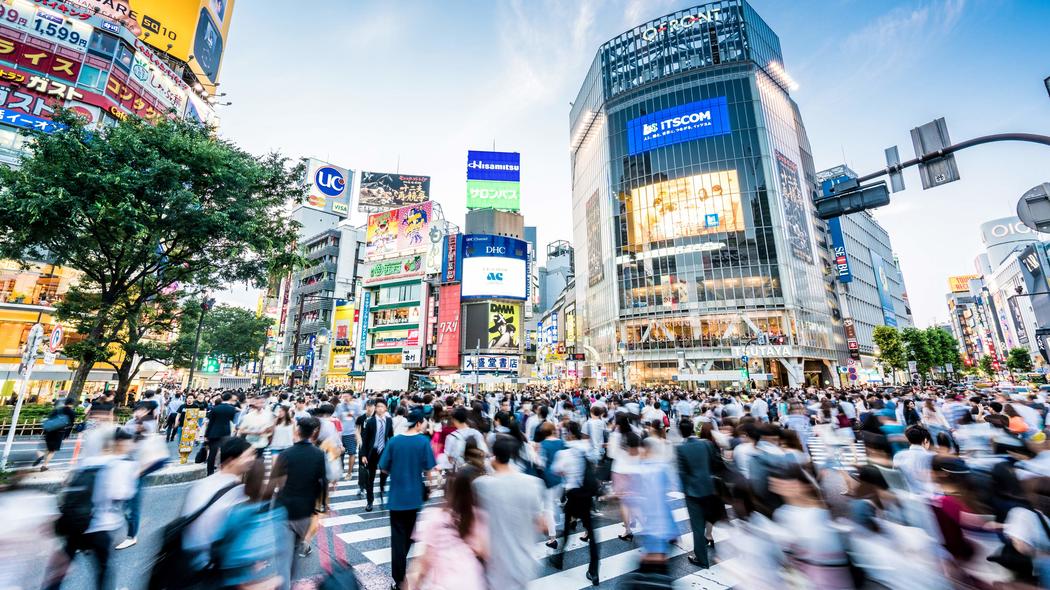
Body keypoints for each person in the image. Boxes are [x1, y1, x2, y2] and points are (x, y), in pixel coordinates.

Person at [42, 428, 137, 590]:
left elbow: (67, 484)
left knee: (62, 565)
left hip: (75, 523)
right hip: (100, 525)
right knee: (103, 569)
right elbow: (121, 493)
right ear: (122, 443)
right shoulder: (122, 465)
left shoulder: (89, 461)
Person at [474, 435, 545, 590]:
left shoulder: (481, 486)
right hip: (525, 559)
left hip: (497, 561)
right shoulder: (533, 484)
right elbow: (541, 525)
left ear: (494, 456)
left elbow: (477, 523)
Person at [377, 408, 437, 590]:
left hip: (396, 496)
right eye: (424, 422)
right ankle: (401, 575)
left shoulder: (394, 441)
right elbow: (429, 469)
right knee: (409, 535)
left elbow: (384, 468)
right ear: (418, 423)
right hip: (414, 496)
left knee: (398, 538)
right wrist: (430, 486)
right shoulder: (423, 442)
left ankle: (399, 579)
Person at [180, 437, 255, 574]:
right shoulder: (237, 493)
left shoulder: (202, 484)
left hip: (189, 558)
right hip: (212, 565)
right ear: (231, 460)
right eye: (249, 455)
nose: (253, 459)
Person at [406, 466, 488, 590]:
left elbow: (425, 559)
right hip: (470, 581)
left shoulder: (434, 516)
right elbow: (484, 551)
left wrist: (414, 583)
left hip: (442, 583)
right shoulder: (478, 517)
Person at [270, 416, 327, 585]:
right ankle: (290, 582)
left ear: (297, 431)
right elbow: (322, 481)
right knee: (295, 552)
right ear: (313, 433)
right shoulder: (318, 454)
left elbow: (275, 481)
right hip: (306, 511)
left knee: (283, 558)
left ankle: (285, 585)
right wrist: (320, 506)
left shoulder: (286, 454)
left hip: (285, 510)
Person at [551, 421, 600, 585]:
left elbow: (557, 470)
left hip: (573, 494)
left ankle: (559, 558)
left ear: (570, 433)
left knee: (566, 528)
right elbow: (595, 462)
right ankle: (594, 571)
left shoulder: (564, 452)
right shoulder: (587, 447)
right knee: (591, 532)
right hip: (587, 495)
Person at [676, 418, 721, 568]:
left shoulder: (681, 448)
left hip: (693, 492)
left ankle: (702, 559)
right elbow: (715, 463)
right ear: (693, 429)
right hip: (709, 488)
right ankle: (709, 539)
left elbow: (682, 473)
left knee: (697, 527)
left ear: (681, 432)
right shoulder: (706, 444)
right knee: (709, 519)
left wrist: (685, 490)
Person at [361, 398, 394, 511]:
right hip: (372, 452)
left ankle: (381, 490)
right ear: (375, 408)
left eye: (382, 406)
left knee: (384, 475)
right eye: (378, 406)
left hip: (384, 451)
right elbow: (365, 440)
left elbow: (391, 436)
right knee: (370, 478)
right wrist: (363, 455)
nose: (379, 408)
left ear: (386, 408)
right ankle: (370, 501)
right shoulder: (370, 422)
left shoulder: (389, 421)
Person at [36, 397, 77, 471]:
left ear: (65, 402)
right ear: (72, 404)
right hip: (60, 432)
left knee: (48, 447)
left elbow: (49, 419)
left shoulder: (58, 409)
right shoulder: (72, 412)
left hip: (50, 430)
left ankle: (41, 455)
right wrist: (67, 435)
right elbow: (71, 425)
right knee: (52, 450)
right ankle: (44, 466)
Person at [203, 392, 238, 475]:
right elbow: (232, 419)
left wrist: (206, 435)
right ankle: (222, 471)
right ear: (230, 398)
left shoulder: (216, 408)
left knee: (212, 453)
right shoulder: (232, 409)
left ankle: (210, 472)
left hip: (213, 432)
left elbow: (211, 422)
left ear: (222, 398)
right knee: (224, 453)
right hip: (225, 432)